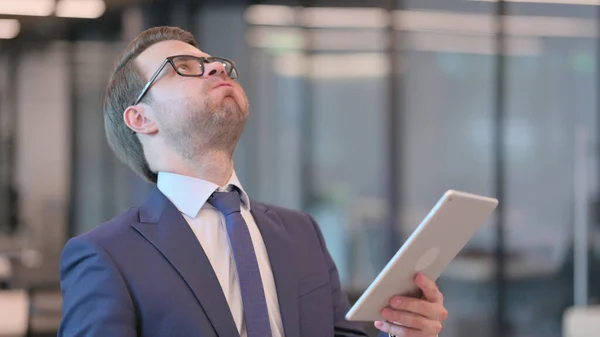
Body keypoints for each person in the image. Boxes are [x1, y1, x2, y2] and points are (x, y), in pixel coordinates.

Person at [58, 26, 448, 337]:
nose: (216, 68)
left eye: (213, 62)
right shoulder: (105, 256)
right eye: (183, 66)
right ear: (141, 119)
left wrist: (401, 332)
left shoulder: (301, 232)